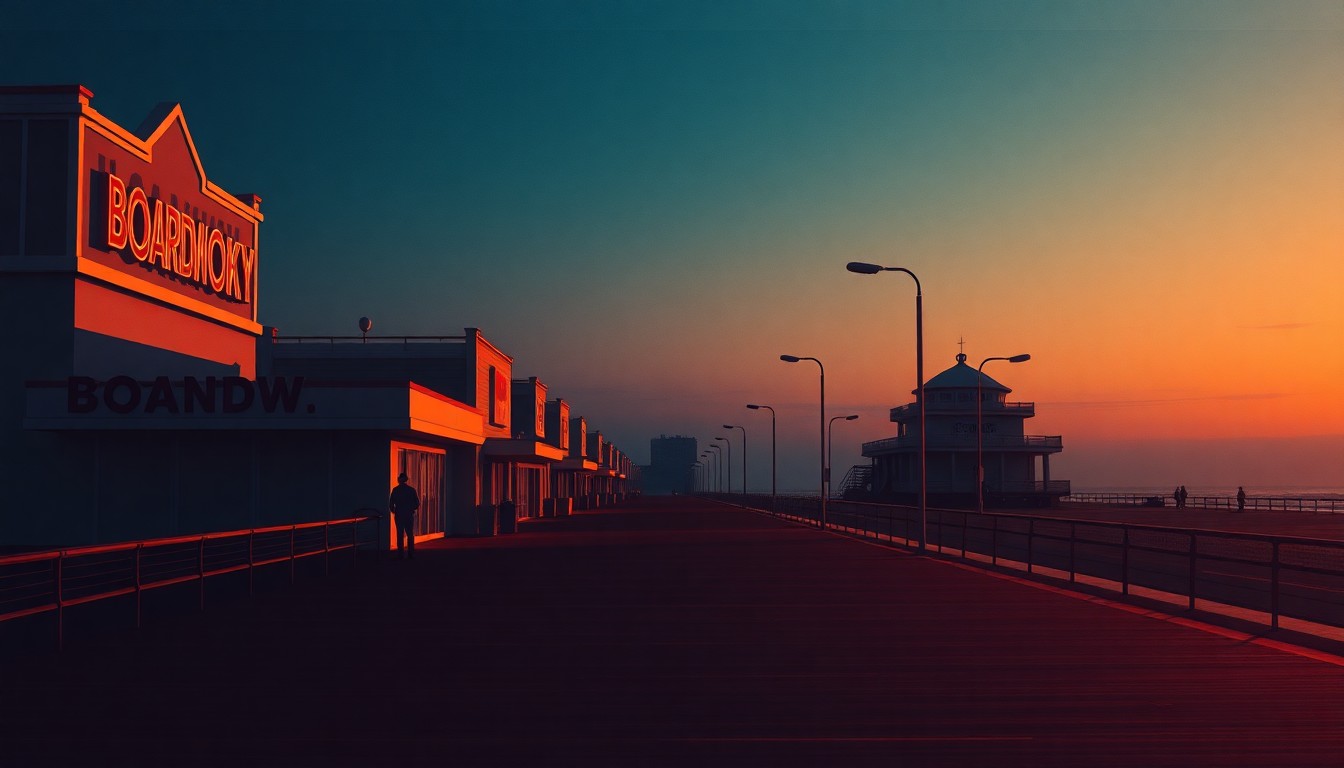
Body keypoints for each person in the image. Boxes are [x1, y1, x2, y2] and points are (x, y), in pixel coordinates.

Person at [388, 472, 420, 559]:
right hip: (408, 514)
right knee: (410, 533)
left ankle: (400, 553)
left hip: (399, 514)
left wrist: (394, 511)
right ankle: (411, 553)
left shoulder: (395, 490)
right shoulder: (411, 490)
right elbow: (417, 503)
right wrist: (411, 508)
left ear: (399, 480)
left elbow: (391, 504)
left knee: (400, 533)